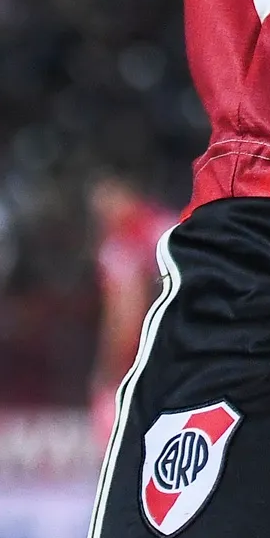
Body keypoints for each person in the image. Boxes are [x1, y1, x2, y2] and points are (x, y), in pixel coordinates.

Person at [84, 176, 176, 452]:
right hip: (187, 355)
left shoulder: (121, 242)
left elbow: (125, 314)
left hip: (143, 366)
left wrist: (109, 373)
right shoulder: (171, 224)